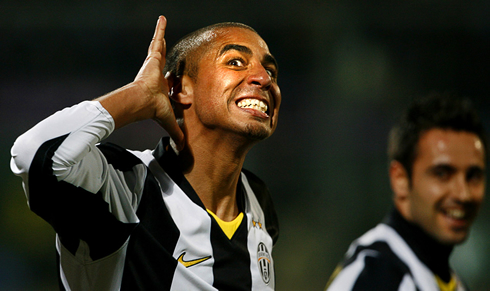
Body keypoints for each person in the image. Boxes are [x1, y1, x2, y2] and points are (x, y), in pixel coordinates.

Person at [10, 15, 281, 291]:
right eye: (235, 62)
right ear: (178, 88)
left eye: (271, 72)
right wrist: (137, 95)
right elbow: (33, 153)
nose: (264, 79)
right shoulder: (125, 188)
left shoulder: (258, 202)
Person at [325, 93, 486, 291]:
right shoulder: (377, 276)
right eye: (442, 174)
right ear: (400, 179)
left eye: (473, 176)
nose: (463, 194)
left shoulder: (445, 279)